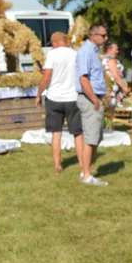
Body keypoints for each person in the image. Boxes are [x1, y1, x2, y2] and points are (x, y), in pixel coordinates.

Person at [35, 32, 83, 173]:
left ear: (55, 42)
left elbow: (46, 76)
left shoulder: (52, 55)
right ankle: (82, 165)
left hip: (55, 98)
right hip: (73, 98)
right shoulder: (75, 54)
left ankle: (57, 165)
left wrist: (38, 95)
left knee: (56, 133)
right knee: (78, 134)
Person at [74, 24, 109, 186]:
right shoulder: (86, 52)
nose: (106, 38)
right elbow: (83, 79)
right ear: (94, 36)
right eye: (103, 35)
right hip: (89, 98)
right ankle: (86, 175)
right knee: (90, 138)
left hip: (94, 98)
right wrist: (94, 99)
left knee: (95, 137)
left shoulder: (94, 52)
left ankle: (86, 171)